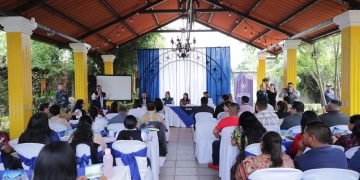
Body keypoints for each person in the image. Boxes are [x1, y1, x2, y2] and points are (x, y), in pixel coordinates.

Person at [231, 112, 267, 177]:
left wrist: (233, 137)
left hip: (244, 157)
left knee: (233, 171)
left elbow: (233, 143)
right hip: (263, 158)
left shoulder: (239, 129)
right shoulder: (262, 129)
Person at [208, 103, 240, 170]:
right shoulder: (242, 121)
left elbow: (214, 132)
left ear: (229, 111)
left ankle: (216, 164)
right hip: (239, 145)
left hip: (225, 144)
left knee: (215, 144)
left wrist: (220, 137)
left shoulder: (224, 121)